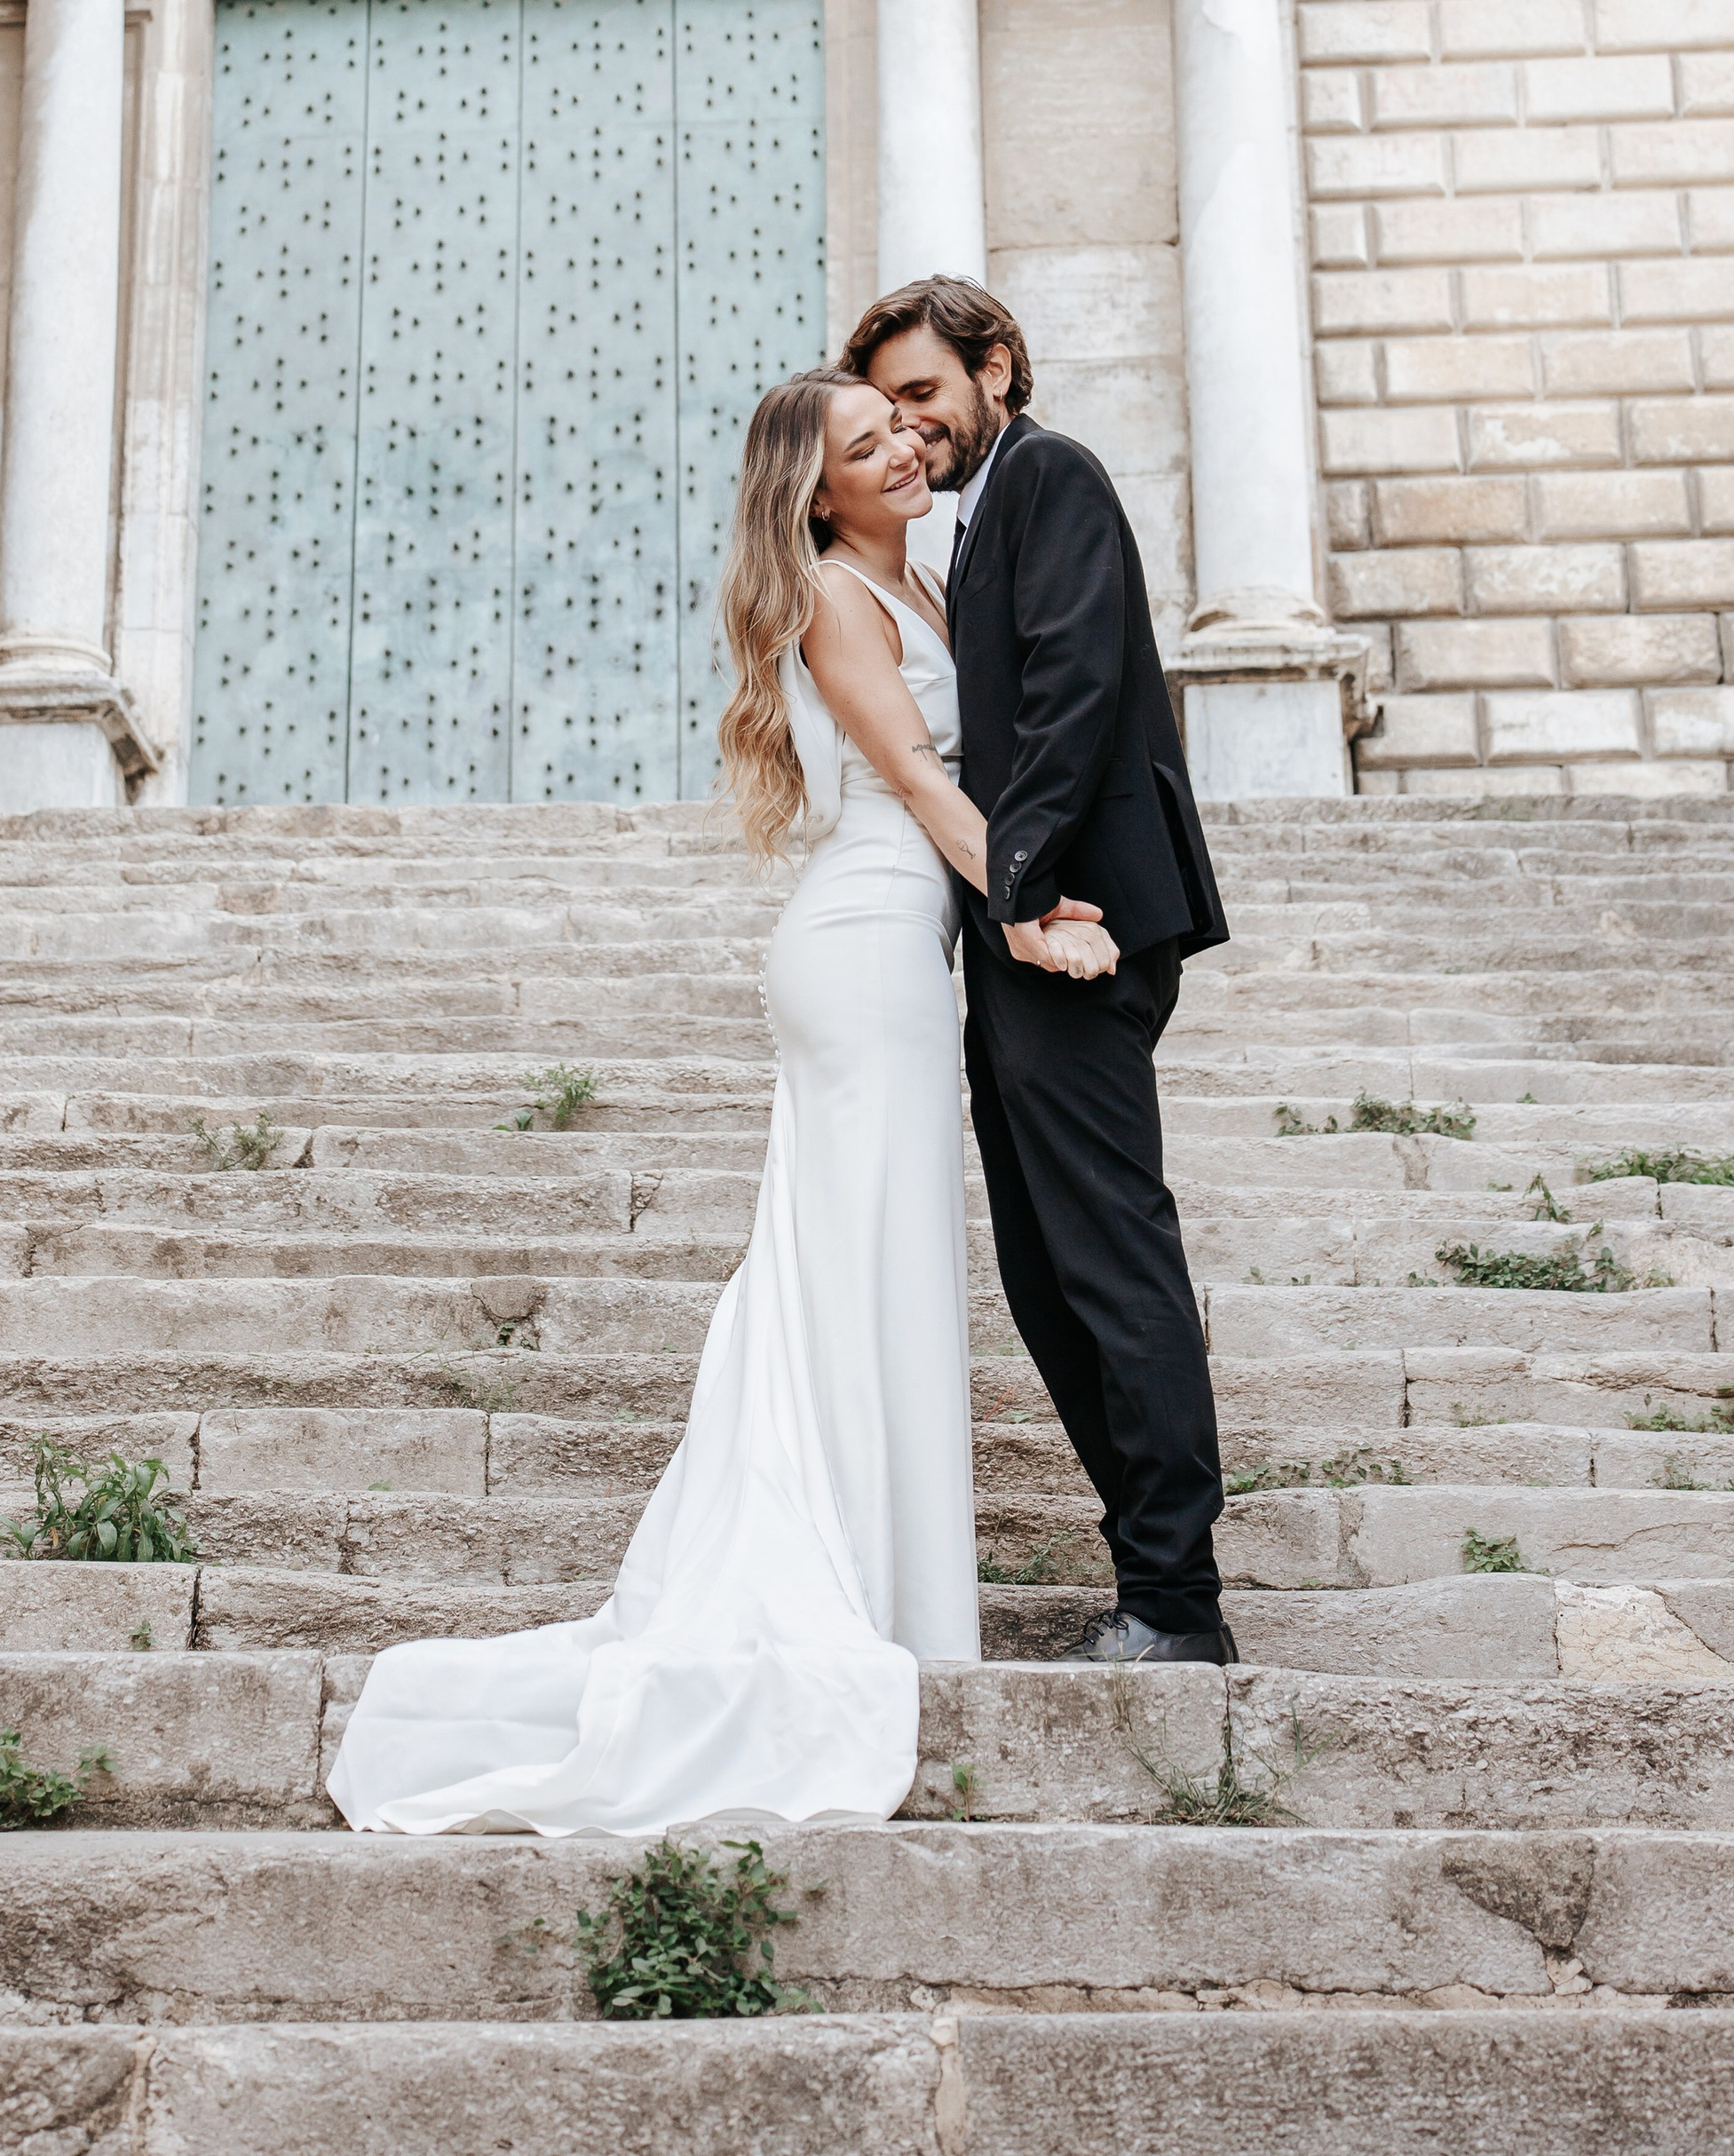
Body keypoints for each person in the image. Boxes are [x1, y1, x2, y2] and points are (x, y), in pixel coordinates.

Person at [326, 366, 1068, 1835]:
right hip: (866, 945)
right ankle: (881, 1602)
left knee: (867, 1270)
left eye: (907, 427)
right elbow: (919, 778)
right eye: (868, 444)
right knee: (868, 1265)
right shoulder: (840, 604)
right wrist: (1035, 909)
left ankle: (900, 1591)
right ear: (815, 492)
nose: (906, 449)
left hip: (891, 940)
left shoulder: (907, 582)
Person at [846, 276, 1236, 1668]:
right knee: (1043, 1266)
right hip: (1023, 942)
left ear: (995, 366)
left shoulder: (1050, 472)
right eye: (886, 406)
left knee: (1106, 1253)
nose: (910, 425)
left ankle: (1175, 1602)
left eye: (925, 392)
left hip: (1074, 925)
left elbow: (1072, 692)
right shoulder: (980, 511)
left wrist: (1015, 895)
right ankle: (1148, 1564)